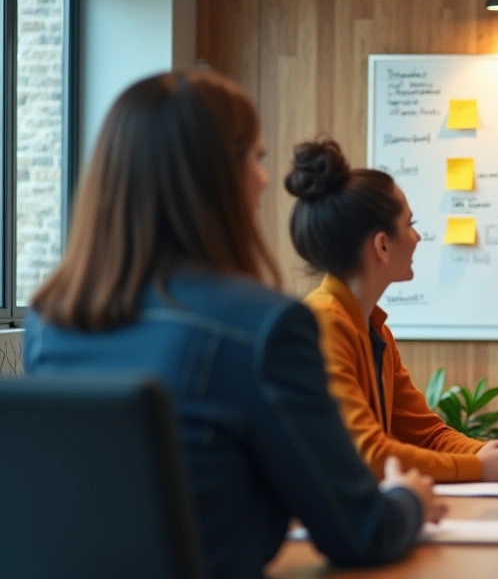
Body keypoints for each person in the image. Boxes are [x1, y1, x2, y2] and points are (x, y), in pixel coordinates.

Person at [22, 71, 445, 579]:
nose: (265, 179)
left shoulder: (50, 321)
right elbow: (358, 530)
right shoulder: (267, 328)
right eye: (255, 158)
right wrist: (408, 499)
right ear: (211, 179)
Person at [287, 138, 498, 483]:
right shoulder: (324, 321)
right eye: (409, 224)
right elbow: (367, 454)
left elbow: (427, 434)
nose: (418, 237)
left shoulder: (375, 329)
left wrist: (485, 453)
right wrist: (479, 468)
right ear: (382, 245)